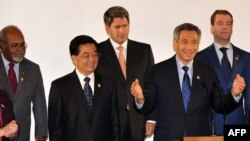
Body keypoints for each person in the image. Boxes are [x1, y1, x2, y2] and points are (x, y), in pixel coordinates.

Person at [130, 23, 246, 141]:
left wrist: (234, 93)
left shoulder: (207, 72)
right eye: (185, 42)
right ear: (175, 43)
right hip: (168, 137)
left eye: (194, 42)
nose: (190, 47)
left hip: (199, 138)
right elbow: (149, 105)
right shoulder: (159, 70)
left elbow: (219, 105)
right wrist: (140, 99)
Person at [95, 6, 156, 141]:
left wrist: (151, 118)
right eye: (117, 27)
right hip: (108, 122)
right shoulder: (97, 52)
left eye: (125, 26)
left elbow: (152, 86)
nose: (122, 31)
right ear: (107, 28)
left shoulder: (144, 50)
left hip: (137, 120)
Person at [48, 35, 120, 141]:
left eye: (95, 54)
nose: (92, 59)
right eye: (86, 55)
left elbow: (115, 124)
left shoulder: (109, 84)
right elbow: (55, 129)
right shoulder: (60, 87)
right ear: (74, 59)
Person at [195, 10, 250, 134]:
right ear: (212, 27)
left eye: (228, 23)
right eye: (220, 23)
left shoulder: (246, 58)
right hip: (209, 128)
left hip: (239, 127)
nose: (225, 27)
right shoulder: (199, 58)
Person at [0, 25, 48, 141]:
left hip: (22, 135)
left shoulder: (33, 69)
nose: (20, 49)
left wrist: (41, 135)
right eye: (14, 45)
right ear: (2, 45)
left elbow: (40, 105)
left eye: (22, 45)